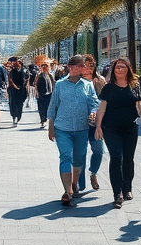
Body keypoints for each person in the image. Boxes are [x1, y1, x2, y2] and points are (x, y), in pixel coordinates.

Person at [95, 58, 141, 208]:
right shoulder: (108, 88)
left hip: (130, 128)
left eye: (123, 67)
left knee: (128, 159)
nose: (120, 69)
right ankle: (117, 193)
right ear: (113, 70)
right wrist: (98, 126)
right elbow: (102, 109)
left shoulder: (134, 86)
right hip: (111, 128)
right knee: (116, 157)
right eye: (117, 67)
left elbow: (140, 107)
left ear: (128, 69)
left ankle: (128, 188)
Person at [47, 55, 100, 206]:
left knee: (78, 158)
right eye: (81, 65)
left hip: (81, 128)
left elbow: (94, 102)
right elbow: (53, 106)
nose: (84, 68)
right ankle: (67, 191)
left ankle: (74, 184)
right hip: (62, 128)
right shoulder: (60, 85)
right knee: (65, 157)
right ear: (71, 67)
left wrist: (93, 112)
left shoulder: (87, 85)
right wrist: (51, 127)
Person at [76, 54, 106, 191]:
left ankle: (93, 172)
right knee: (80, 153)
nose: (87, 68)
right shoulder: (75, 81)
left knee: (99, 150)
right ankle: (79, 183)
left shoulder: (100, 81)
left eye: (90, 65)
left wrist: (97, 114)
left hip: (96, 123)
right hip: (80, 123)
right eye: (84, 65)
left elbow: (105, 100)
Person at [7, 57, 27, 127]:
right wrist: (14, 86)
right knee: (13, 104)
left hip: (21, 89)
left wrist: (26, 87)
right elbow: (10, 80)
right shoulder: (11, 71)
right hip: (13, 90)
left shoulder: (23, 70)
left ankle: (18, 116)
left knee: (20, 104)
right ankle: (14, 116)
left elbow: (26, 79)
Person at [35, 61, 54, 129]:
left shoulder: (50, 75)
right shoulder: (39, 75)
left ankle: (46, 119)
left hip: (49, 94)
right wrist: (36, 93)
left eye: (46, 66)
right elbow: (36, 84)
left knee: (48, 108)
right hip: (41, 94)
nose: (44, 68)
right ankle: (42, 121)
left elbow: (53, 84)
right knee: (41, 108)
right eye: (42, 67)